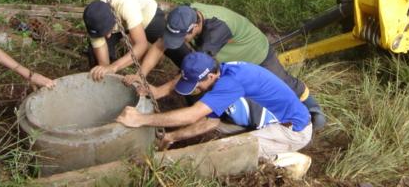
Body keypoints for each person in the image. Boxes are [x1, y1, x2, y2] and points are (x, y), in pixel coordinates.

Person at [136, 3, 325, 129]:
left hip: (254, 52)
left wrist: (160, 91)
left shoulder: (215, 29)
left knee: (285, 84)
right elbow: (161, 44)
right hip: (228, 59)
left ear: (194, 28)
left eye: (181, 37)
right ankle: (229, 114)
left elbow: (199, 71)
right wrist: (140, 75)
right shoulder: (185, 15)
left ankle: (313, 110)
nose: (177, 41)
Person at [117, 52, 312, 160]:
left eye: (197, 85)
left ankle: (287, 161)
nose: (196, 90)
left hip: (292, 130)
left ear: (210, 76)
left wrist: (140, 119)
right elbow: (208, 123)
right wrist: (171, 136)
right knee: (217, 129)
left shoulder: (230, 83)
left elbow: (193, 115)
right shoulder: (221, 73)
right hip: (267, 120)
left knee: (227, 154)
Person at [83, 0, 190, 81]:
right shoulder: (93, 20)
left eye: (107, 32)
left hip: (147, 15)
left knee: (171, 43)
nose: (108, 36)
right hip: (116, 22)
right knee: (96, 58)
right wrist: (105, 70)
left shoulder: (126, 5)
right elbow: (103, 64)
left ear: (114, 18)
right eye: (103, 34)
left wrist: (114, 67)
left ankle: (193, 75)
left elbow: (141, 45)